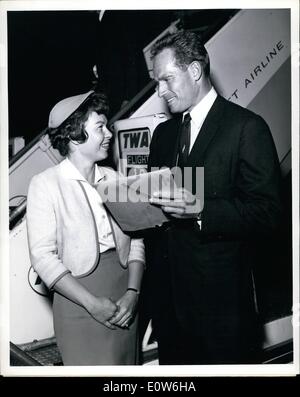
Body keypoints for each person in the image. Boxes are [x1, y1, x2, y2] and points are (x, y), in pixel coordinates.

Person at [144, 31, 281, 364]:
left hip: (224, 319)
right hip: (171, 316)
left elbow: (269, 214)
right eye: (156, 83)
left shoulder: (246, 127)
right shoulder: (163, 135)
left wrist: (201, 210)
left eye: (166, 80)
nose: (161, 91)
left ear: (194, 71)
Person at [26, 90, 145, 365]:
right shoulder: (45, 184)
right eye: (99, 127)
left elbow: (137, 238)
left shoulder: (115, 179)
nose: (109, 134)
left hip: (125, 298)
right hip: (78, 305)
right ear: (74, 134)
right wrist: (92, 303)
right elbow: (43, 257)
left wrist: (133, 293)